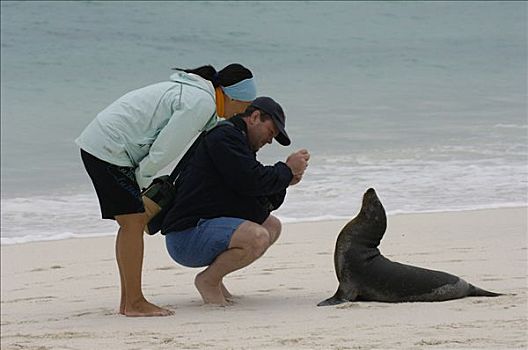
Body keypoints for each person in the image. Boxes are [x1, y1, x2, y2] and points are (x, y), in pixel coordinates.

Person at [75, 63, 257, 317]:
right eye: (244, 107)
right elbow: (164, 148)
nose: (241, 113)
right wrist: (142, 179)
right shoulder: (200, 102)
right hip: (109, 148)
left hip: (104, 144)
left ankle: (128, 302)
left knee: (132, 223)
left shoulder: (199, 97)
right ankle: (134, 303)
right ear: (230, 96)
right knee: (133, 224)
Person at [162, 96, 310, 305]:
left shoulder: (238, 142)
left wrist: (286, 179)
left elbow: (256, 198)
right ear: (255, 117)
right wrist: (286, 171)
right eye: (271, 132)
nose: (270, 140)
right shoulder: (224, 137)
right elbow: (250, 180)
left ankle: (215, 278)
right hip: (185, 237)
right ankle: (208, 281)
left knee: (271, 226)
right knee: (257, 236)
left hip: (205, 228)